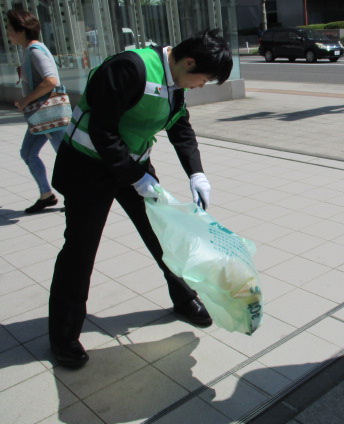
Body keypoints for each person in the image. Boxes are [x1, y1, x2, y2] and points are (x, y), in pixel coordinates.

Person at [48, 29, 233, 368]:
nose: (200, 86)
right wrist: (137, 178)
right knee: (79, 250)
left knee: (164, 236)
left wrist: (197, 172)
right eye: (203, 80)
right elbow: (103, 131)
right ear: (188, 62)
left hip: (133, 166)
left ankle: (183, 298)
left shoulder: (175, 82)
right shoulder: (129, 67)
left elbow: (180, 128)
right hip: (89, 168)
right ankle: (63, 336)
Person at [7, 9, 65, 213]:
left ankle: (76, 197)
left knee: (66, 158)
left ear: (20, 30)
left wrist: (25, 101)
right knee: (28, 153)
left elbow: (51, 80)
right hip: (40, 118)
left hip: (49, 115)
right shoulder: (32, 50)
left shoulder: (35, 51)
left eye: (9, 28)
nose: (6, 31)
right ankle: (46, 195)